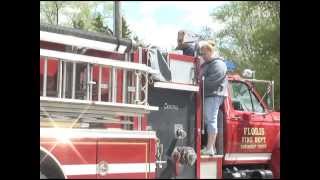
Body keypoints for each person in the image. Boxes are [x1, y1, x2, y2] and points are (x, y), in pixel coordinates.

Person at [199, 41, 228, 156]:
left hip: (214, 95)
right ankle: (211, 147)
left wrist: (199, 83)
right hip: (209, 95)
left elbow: (212, 81)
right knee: (208, 120)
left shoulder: (218, 64)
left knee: (211, 120)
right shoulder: (208, 63)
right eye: (201, 54)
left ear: (211, 52)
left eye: (204, 54)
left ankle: (210, 148)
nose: (202, 56)